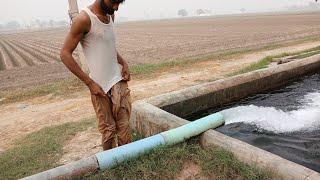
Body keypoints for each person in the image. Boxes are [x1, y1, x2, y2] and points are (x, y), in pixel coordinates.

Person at [60, 0, 132, 151]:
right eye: (113, 2)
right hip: (99, 87)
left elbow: (108, 46)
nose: (116, 7)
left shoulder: (110, 15)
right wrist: (90, 83)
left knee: (124, 128)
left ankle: (126, 161)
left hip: (118, 81)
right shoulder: (84, 19)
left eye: (119, 3)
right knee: (108, 131)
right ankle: (110, 165)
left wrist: (123, 63)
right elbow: (65, 54)